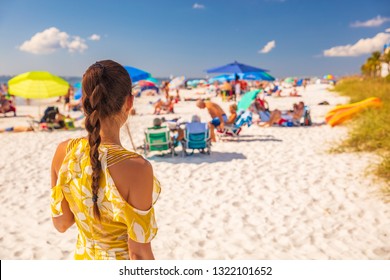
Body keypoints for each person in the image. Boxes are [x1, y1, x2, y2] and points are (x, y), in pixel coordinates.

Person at [50, 60, 160, 260]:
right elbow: (139, 254)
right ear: (129, 102)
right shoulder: (137, 168)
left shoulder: (63, 152)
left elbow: (62, 223)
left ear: (85, 102)